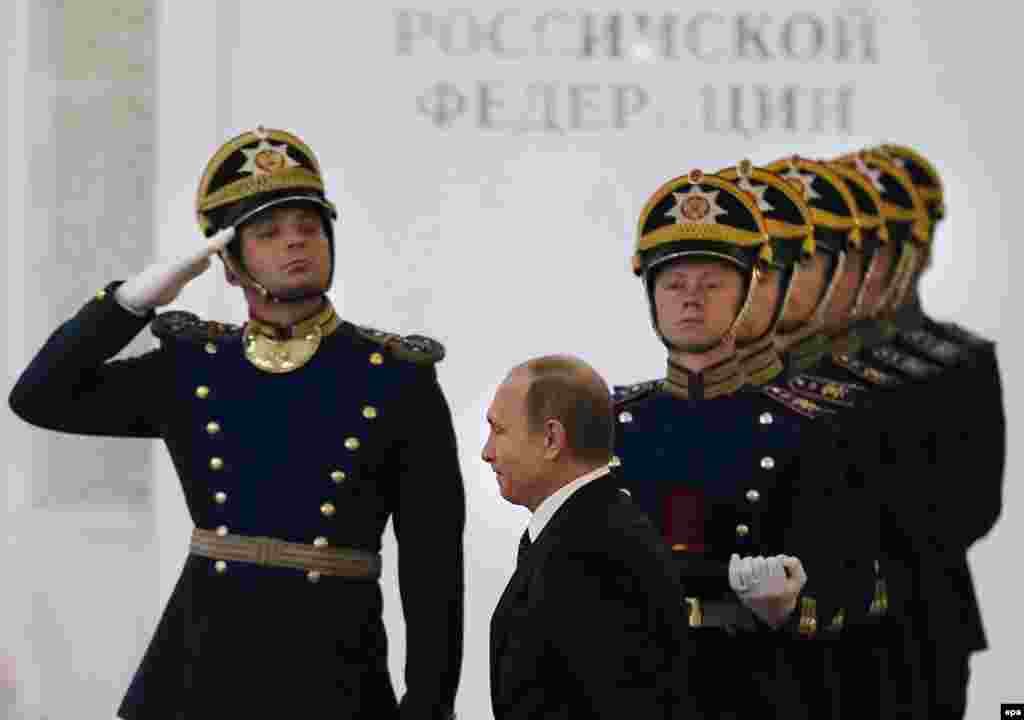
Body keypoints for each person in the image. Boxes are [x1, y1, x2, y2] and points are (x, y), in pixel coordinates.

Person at [8, 127, 465, 719]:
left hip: (334, 674)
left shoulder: (395, 377)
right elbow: (42, 397)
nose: (295, 244)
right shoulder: (196, 367)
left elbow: (433, 565)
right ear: (229, 264)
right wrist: (130, 302)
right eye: (268, 233)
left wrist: (429, 703)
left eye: (308, 227)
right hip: (198, 673)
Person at [613, 169, 862, 720]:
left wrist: (795, 605)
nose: (691, 300)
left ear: (747, 292)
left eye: (712, 284)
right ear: (651, 296)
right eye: (674, 284)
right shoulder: (612, 423)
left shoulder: (805, 426)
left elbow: (851, 583)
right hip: (629, 685)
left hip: (754, 687)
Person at [484, 355, 696, 720]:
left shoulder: (592, 552)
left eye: (499, 431)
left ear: (551, 439)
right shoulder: (584, 528)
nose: (487, 452)